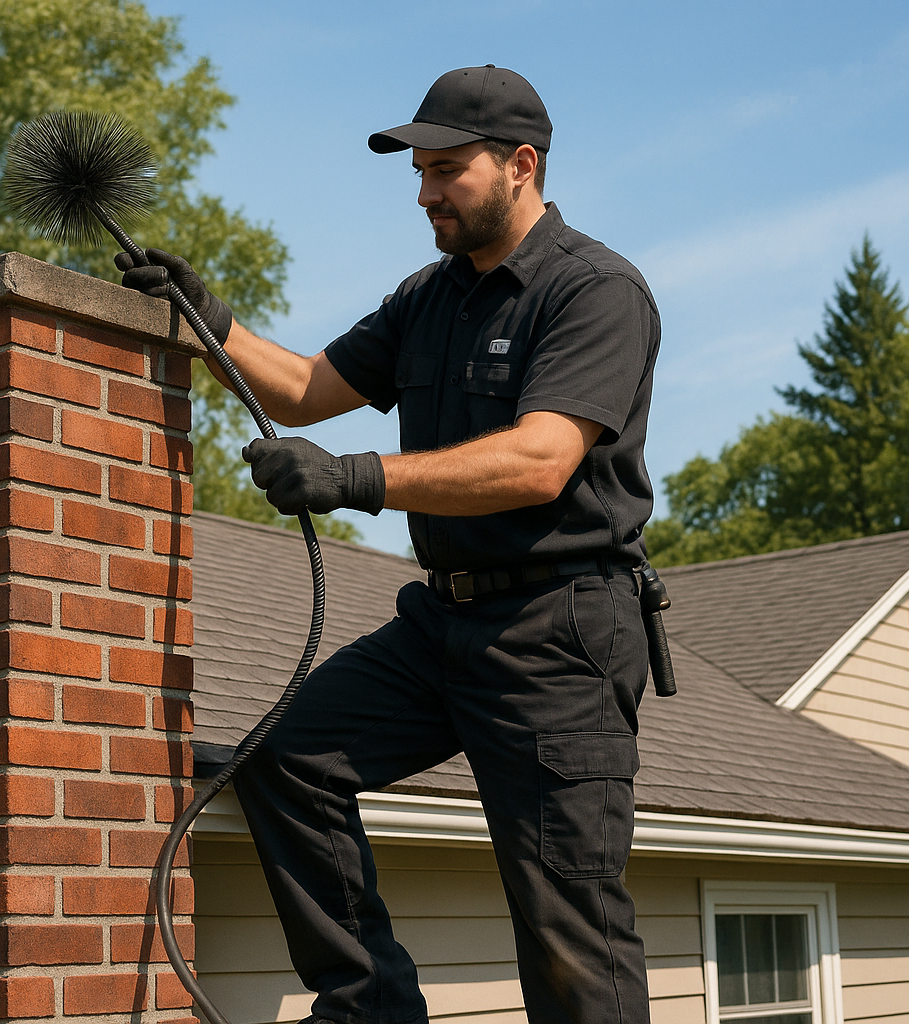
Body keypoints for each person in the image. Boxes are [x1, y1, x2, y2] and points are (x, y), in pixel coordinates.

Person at [117, 65, 658, 1024]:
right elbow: (304, 387)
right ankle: (371, 1009)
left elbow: (539, 461)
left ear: (522, 165)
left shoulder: (595, 291)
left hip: (560, 632)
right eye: (419, 171)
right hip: (442, 623)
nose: (425, 193)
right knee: (292, 762)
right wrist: (211, 321)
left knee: (566, 923)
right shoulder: (430, 296)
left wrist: (352, 477)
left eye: (447, 169)